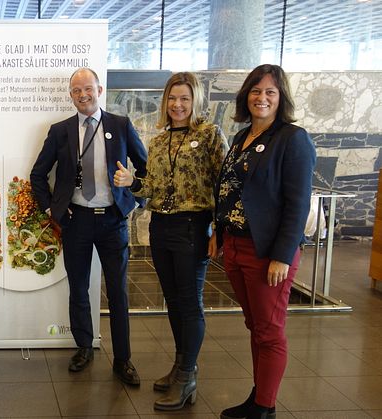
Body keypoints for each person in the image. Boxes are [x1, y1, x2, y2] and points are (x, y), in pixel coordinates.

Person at [30, 67, 147, 385]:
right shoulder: (60, 131)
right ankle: (83, 347)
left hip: (112, 221)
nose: (83, 95)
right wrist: (53, 210)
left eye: (88, 89)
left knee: (118, 293)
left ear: (100, 89)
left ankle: (123, 359)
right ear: (71, 96)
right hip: (76, 221)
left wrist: (135, 195)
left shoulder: (120, 125)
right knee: (78, 289)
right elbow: (37, 175)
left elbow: (147, 170)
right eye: (76, 91)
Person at [214, 64, 316, 419]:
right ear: (246, 96)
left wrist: (282, 256)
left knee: (270, 331)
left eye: (270, 92)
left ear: (281, 98)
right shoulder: (243, 136)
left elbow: (298, 203)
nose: (262, 98)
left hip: (267, 252)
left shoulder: (292, 139)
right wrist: (218, 231)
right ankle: (259, 396)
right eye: (256, 91)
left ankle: (265, 407)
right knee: (255, 326)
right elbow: (228, 191)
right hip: (236, 245)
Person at [124, 72, 228, 410]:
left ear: (195, 101)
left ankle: (187, 375)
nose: (177, 105)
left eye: (184, 98)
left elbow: (223, 186)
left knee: (190, 301)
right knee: (172, 299)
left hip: (192, 227)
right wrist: (132, 182)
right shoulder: (158, 141)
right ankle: (182, 365)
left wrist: (218, 230)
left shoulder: (211, 136)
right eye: (172, 98)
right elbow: (151, 186)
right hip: (162, 228)